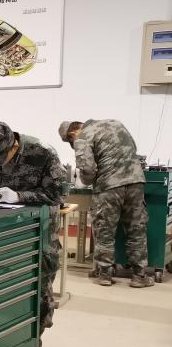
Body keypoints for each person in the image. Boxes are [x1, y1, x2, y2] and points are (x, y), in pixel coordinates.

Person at [0, 121, 65, 336]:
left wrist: (19, 196)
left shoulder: (42, 153)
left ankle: (34, 337)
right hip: (2, 223)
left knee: (40, 278)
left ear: (13, 145)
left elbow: (58, 194)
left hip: (39, 224)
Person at [58, 119, 153, 288]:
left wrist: (84, 181)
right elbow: (132, 149)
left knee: (105, 231)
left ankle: (105, 274)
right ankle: (139, 275)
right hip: (135, 182)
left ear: (71, 134)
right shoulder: (115, 123)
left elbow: (88, 169)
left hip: (109, 187)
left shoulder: (82, 136)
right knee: (136, 229)